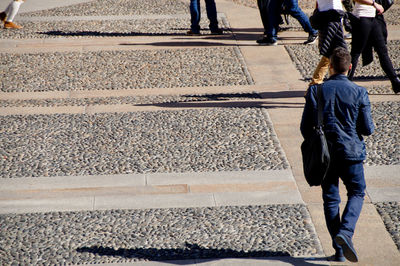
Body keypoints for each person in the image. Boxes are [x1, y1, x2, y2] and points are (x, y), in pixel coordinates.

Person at [301, 47, 375, 263]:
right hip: (351, 153)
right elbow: (367, 128)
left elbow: (305, 128)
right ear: (350, 67)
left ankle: (339, 250)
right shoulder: (360, 92)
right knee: (357, 192)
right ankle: (347, 232)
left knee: (331, 199)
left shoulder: (316, 91)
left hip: (326, 156)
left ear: (330, 67)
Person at [347, 0, 400, 94]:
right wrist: (374, 4)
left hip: (373, 18)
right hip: (361, 18)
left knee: (382, 51)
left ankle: (396, 82)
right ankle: (346, 83)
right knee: (355, 53)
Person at [309, 0, 348, 85]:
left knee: (331, 54)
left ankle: (325, 81)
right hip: (331, 18)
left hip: (328, 17)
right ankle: (317, 82)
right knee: (335, 54)